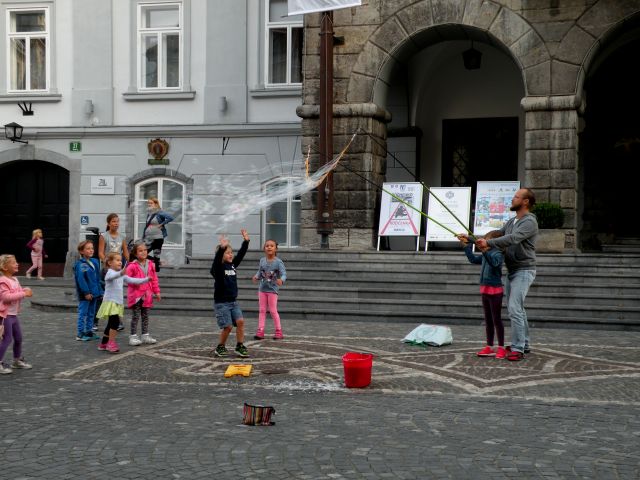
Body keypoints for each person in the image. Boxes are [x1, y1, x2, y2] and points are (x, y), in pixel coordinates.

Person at [476, 188, 538, 362]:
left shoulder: (529, 222)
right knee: (518, 309)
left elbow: (512, 239)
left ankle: (517, 348)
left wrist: (487, 242)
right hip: (513, 270)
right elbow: (498, 235)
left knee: (514, 308)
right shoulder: (512, 221)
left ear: (525, 202)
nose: (512, 199)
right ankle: (524, 343)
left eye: (516, 197)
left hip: (524, 270)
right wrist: (472, 240)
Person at [458, 231, 506, 359]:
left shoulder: (498, 254)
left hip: (495, 290)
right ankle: (489, 346)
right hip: (485, 289)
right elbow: (473, 259)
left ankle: (501, 347)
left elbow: (495, 264)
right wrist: (466, 246)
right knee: (488, 320)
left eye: (487, 240)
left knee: (497, 320)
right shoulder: (486, 253)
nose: (484, 242)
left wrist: (484, 250)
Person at [96, 252, 150, 353]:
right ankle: (110, 344)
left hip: (117, 303)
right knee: (115, 323)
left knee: (111, 324)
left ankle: (103, 343)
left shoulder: (120, 274)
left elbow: (132, 280)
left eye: (120, 260)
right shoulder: (109, 272)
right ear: (109, 263)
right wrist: (121, 273)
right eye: (117, 260)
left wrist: (146, 279)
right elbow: (111, 277)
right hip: (110, 302)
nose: (120, 262)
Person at [210, 229, 250, 358]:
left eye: (231, 252)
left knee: (240, 322)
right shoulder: (218, 268)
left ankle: (239, 346)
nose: (231, 255)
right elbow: (215, 263)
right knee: (227, 327)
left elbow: (241, 255)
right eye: (227, 253)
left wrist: (246, 241)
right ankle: (220, 347)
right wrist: (222, 248)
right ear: (221, 255)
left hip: (233, 302)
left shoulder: (232, 265)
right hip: (222, 303)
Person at [0, 254, 33, 374]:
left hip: (14, 315)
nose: (17, 264)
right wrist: (24, 294)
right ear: (4, 267)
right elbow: (6, 297)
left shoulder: (15, 279)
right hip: (5, 316)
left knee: (18, 338)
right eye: (13, 262)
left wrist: (25, 290)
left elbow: (18, 291)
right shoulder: (3, 281)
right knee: (7, 339)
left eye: (16, 262)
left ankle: (16, 360)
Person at [97, 213, 129, 332]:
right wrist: (106, 262)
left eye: (117, 221)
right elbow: (100, 252)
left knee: (116, 294)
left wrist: (131, 263)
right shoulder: (104, 236)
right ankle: (97, 320)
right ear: (108, 223)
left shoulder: (122, 237)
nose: (116, 223)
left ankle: (117, 321)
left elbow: (125, 253)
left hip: (118, 270)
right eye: (114, 221)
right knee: (105, 295)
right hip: (108, 270)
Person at [126, 241, 161, 346]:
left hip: (147, 295)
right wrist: (139, 281)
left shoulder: (151, 264)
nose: (143, 252)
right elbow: (127, 279)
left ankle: (145, 335)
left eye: (145, 250)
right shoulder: (132, 266)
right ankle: (133, 336)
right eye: (140, 251)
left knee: (145, 315)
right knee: (136, 316)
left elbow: (154, 279)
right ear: (136, 254)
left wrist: (157, 291)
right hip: (136, 295)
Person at [252, 239, 287, 340]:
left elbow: (284, 273)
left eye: (271, 246)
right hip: (262, 289)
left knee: (272, 310)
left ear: (275, 248)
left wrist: (282, 280)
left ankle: (278, 331)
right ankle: (260, 330)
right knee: (262, 310)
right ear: (264, 248)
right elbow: (260, 272)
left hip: (272, 290)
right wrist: (256, 276)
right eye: (267, 246)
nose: (269, 247)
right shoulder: (262, 260)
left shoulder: (278, 262)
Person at [73, 241, 103, 341]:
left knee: (91, 313)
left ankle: (89, 332)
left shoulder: (94, 261)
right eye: (88, 248)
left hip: (94, 293)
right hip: (85, 294)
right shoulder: (80, 265)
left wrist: (100, 291)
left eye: (92, 248)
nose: (91, 250)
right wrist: (86, 292)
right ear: (81, 251)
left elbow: (97, 279)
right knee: (83, 313)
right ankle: (80, 333)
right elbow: (81, 280)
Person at [142, 197, 174, 273]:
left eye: (151, 203)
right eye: (148, 203)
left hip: (157, 238)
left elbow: (170, 217)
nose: (149, 204)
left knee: (156, 255)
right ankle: (156, 261)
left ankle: (156, 273)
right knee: (142, 254)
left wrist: (162, 224)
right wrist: (144, 236)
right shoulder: (149, 214)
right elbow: (147, 225)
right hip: (149, 238)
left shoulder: (159, 212)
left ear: (156, 204)